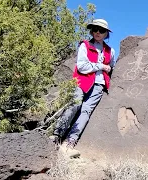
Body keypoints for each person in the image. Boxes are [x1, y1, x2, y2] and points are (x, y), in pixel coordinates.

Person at [49, 19, 116, 158]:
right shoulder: (84, 45)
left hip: (98, 85)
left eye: (101, 30)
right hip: (81, 81)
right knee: (74, 105)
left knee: (86, 111)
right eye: (96, 29)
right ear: (91, 30)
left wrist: (106, 69)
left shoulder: (111, 51)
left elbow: (112, 67)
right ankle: (56, 135)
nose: (98, 32)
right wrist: (101, 66)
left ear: (106, 34)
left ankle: (69, 143)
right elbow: (82, 66)